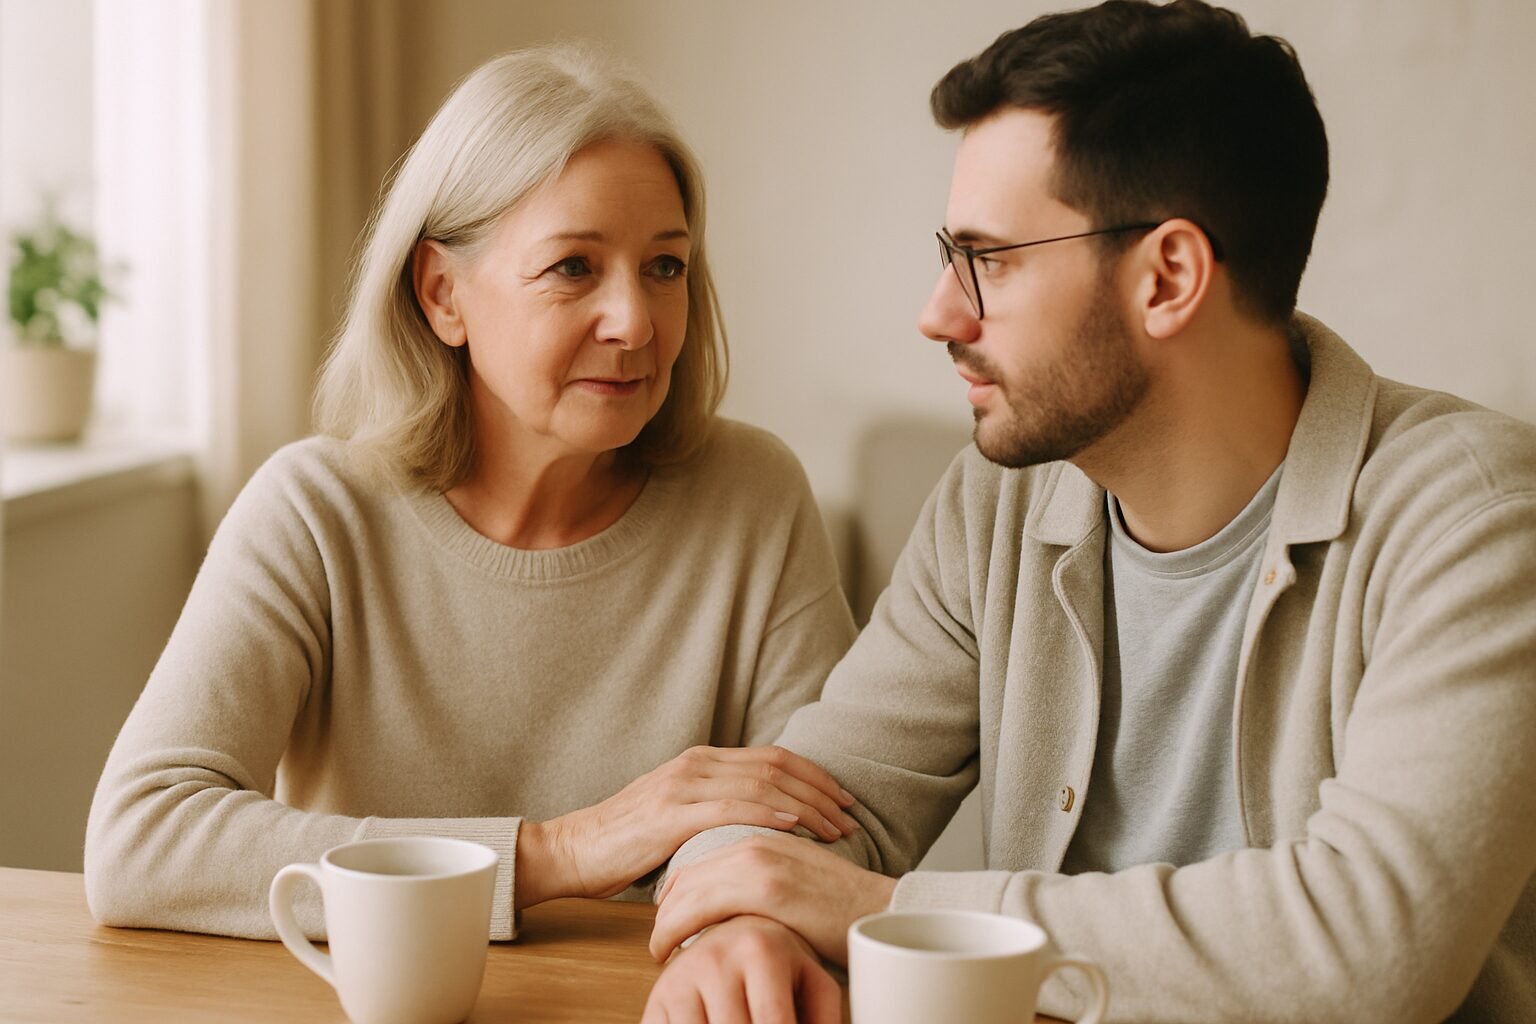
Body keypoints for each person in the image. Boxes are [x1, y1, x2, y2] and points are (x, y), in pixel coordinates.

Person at [641, 2, 1536, 1021]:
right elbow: (798, 798)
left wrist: (887, 912)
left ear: (1168, 277)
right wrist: (742, 922)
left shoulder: (1478, 521)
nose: (939, 312)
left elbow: (1372, 950)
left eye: (992, 259)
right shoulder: (1001, 495)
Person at [83, 43, 863, 942]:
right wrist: (560, 852)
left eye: (665, 266)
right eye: (575, 266)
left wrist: (735, 917)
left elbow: (818, 827)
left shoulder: (753, 497)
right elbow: (141, 842)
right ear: (442, 294)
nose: (637, 321)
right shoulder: (315, 512)